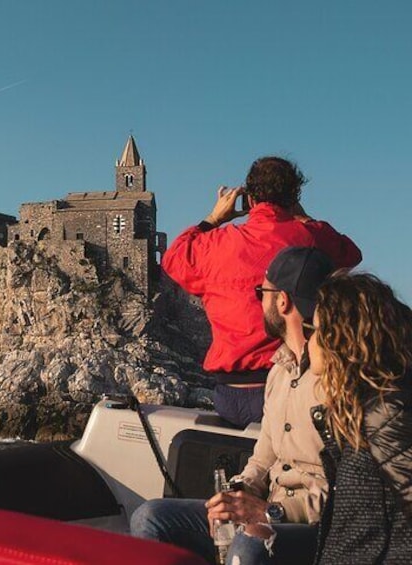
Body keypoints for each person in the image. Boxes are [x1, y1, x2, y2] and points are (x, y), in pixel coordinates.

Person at [131, 246, 335, 564]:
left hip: (313, 525)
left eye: (261, 292)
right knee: (150, 517)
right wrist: (242, 491)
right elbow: (265, 452)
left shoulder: (338, 379)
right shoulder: (280, 370)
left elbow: (351, 493)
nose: (258, 301)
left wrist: (271, 511)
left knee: (249, 548)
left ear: (282, 301)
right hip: (268, 508)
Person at [162, 157, 361, 427]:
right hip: (291, 387)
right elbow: (350, 254)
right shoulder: (311, 238)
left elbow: (173, 259)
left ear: (250, 199)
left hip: (230, 395)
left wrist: (213, 218)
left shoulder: (217, 245)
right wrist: (303, 217)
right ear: (293, 197)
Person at [307, 272, 412, 564]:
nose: (310, 340)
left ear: (341, 338)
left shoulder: (386, 415)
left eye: (316, 329)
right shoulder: (358, 411)